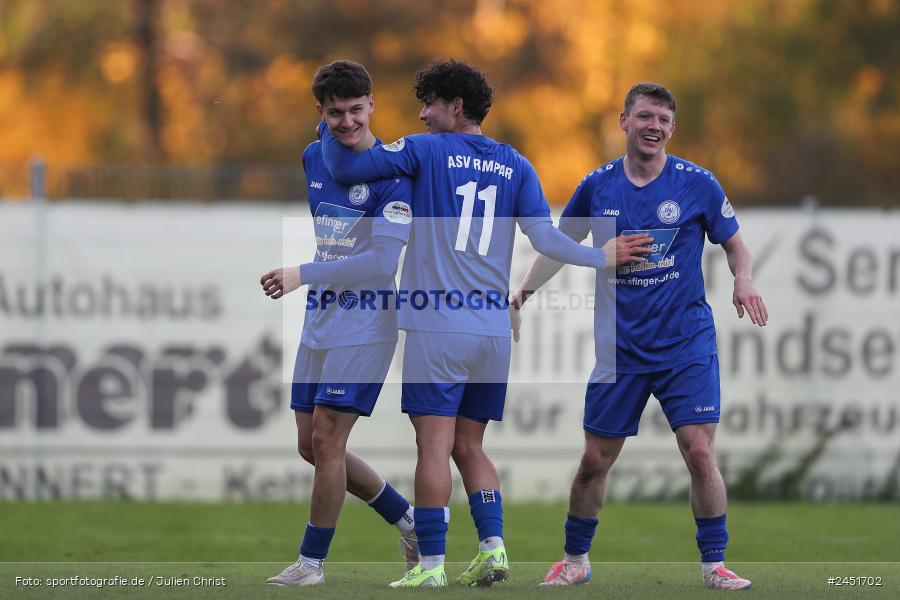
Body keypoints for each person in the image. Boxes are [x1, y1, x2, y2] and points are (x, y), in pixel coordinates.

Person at [318, 60, 632, 588]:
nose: (421, 114)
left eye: (430, 103)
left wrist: (327, 129)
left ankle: (432, 567)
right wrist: (600, 257)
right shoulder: (517, 164)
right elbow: (547, 240)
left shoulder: (425, 150)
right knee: (471, 446)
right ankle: (493, 548)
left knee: (434, 447)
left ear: (455, 107)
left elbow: (348, 169)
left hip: (438, 325)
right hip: (492, 330)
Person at [510, 82, 767, 590]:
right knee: (592, 461)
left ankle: (714, 565)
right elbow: (561, 245)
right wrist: (523, 293)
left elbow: (737, 247)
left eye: (664, 120)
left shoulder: (698, 183)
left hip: (685, 345)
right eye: (646, 117)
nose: (655, 127)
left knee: (698, 450)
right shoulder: (598, 186)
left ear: (672, 128)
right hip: (620, 350)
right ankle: (576, 560)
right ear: (624, 121)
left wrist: (743, 277)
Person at [259, 60, 417, 587]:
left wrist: (301, 272)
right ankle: (407, 518)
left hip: (368, 319)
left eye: (356, 110)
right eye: (335, 113)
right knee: (309, 445)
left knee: (328, 439)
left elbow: (379, 264)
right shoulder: (314, 155)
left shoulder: (394, 174)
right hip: (321, 316)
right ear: (320, 113)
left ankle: (311, 563)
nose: (347, 122)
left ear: (372, 103)